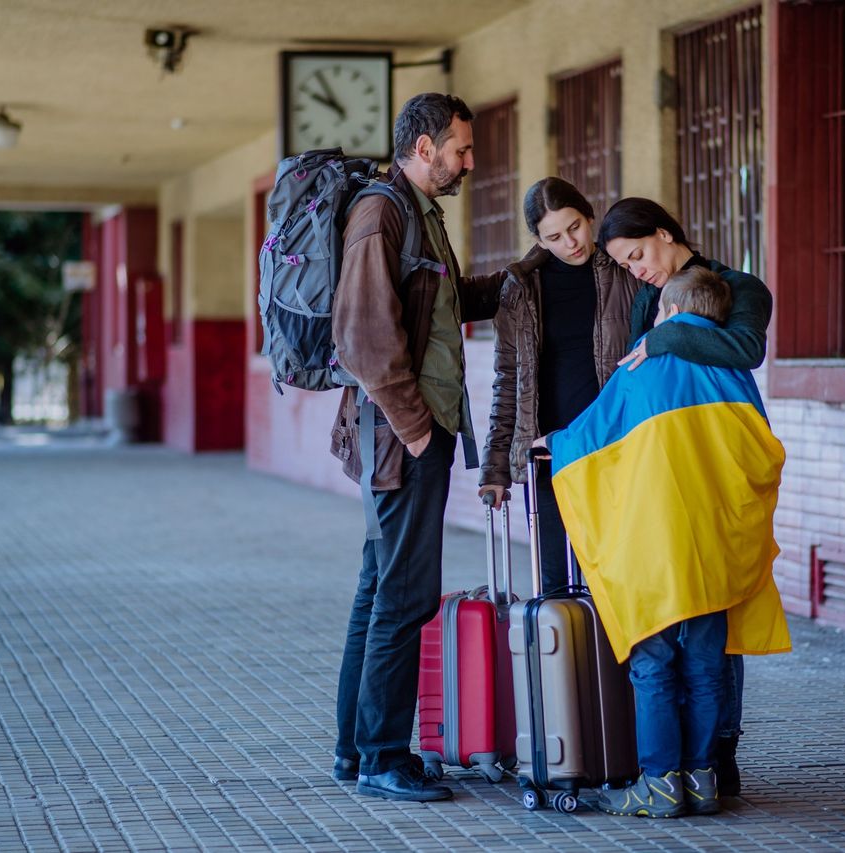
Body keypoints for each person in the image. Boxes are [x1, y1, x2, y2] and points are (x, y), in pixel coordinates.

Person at [537, 267, 790, 818]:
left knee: (653, 666)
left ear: (669, 314)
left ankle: (659, 783)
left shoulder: (642, 366)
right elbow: (761, 452)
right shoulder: (733, 375)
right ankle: (701, 780)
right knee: (704, 666)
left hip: (656, 547)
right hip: (715, 548)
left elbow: (593, 434)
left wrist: (552, 441)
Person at [329, 93, 505, 803]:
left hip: (401, 436)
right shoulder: (383, 213)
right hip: (401, 438)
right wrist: (420, 432)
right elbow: (365, 339)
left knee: (379, 590)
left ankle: (356, 749)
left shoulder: (417, 214)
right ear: (424, 146)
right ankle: (380, 757)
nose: (469, 161)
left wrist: (519, 278)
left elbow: (444, 302)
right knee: (404, 596)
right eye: (460, 149)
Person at [598, 197, 775, 797]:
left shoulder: (740, 287)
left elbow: (744, 350)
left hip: (716, 473)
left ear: (667, 233)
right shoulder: (649, 298)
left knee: (714, 629)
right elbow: (637, 374)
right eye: (625, 264)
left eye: (639, 254)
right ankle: (691, 767)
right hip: (663, 478)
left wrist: (670, 332)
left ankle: (718, 754)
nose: (637, 271)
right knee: (695, 632)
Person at [477, 177, 642, 594]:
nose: (570, 243)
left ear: (590, 216)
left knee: (622, 582)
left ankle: (617, 663)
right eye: (554, 236)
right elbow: (508, 381)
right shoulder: (521, 289)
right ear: (538, 239)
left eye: (575, 227)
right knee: (555, 586)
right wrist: (495, 466)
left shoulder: (625, 273)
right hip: (549, 456)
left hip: (616, 447)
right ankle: (566, 662)